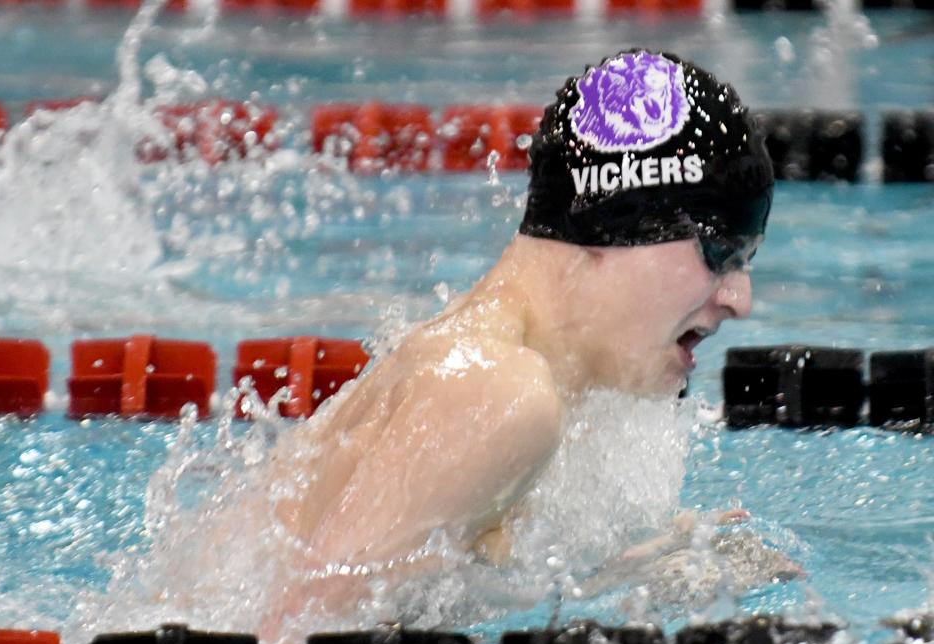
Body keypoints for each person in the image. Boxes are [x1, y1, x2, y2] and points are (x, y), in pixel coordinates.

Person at [268, 48, 774, 601]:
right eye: (721, 251)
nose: (738, 299)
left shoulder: (496, 357)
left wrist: (631, 573)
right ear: (614, 222)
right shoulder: (498, 391)